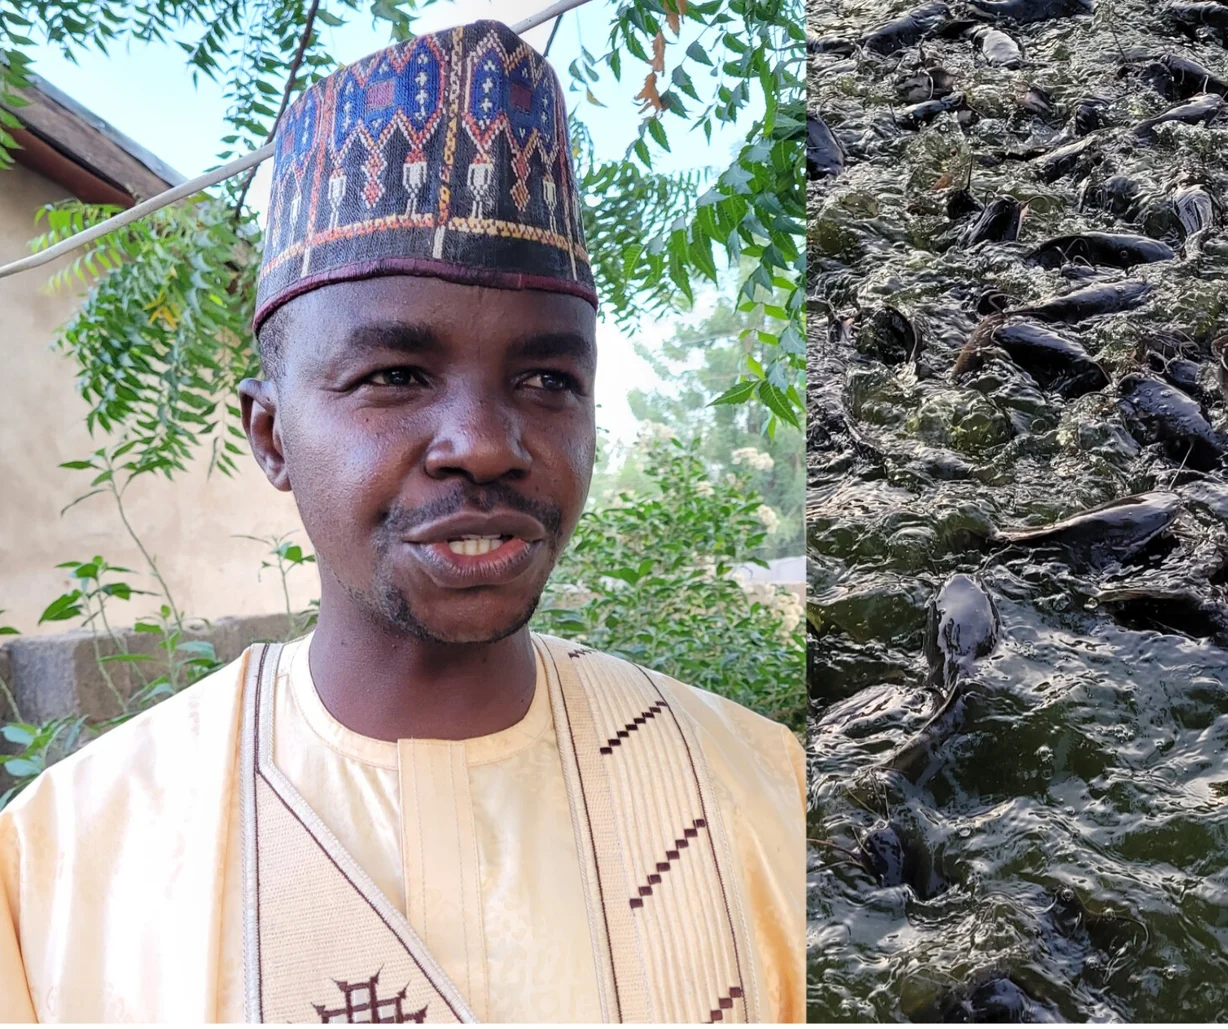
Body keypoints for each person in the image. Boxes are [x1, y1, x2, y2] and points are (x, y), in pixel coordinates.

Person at [0, 19, 804, 1023]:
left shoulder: (770, 798)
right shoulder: (58, 871)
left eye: (549, 378)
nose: (483, 442)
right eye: (393, 376)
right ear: (271, 435)